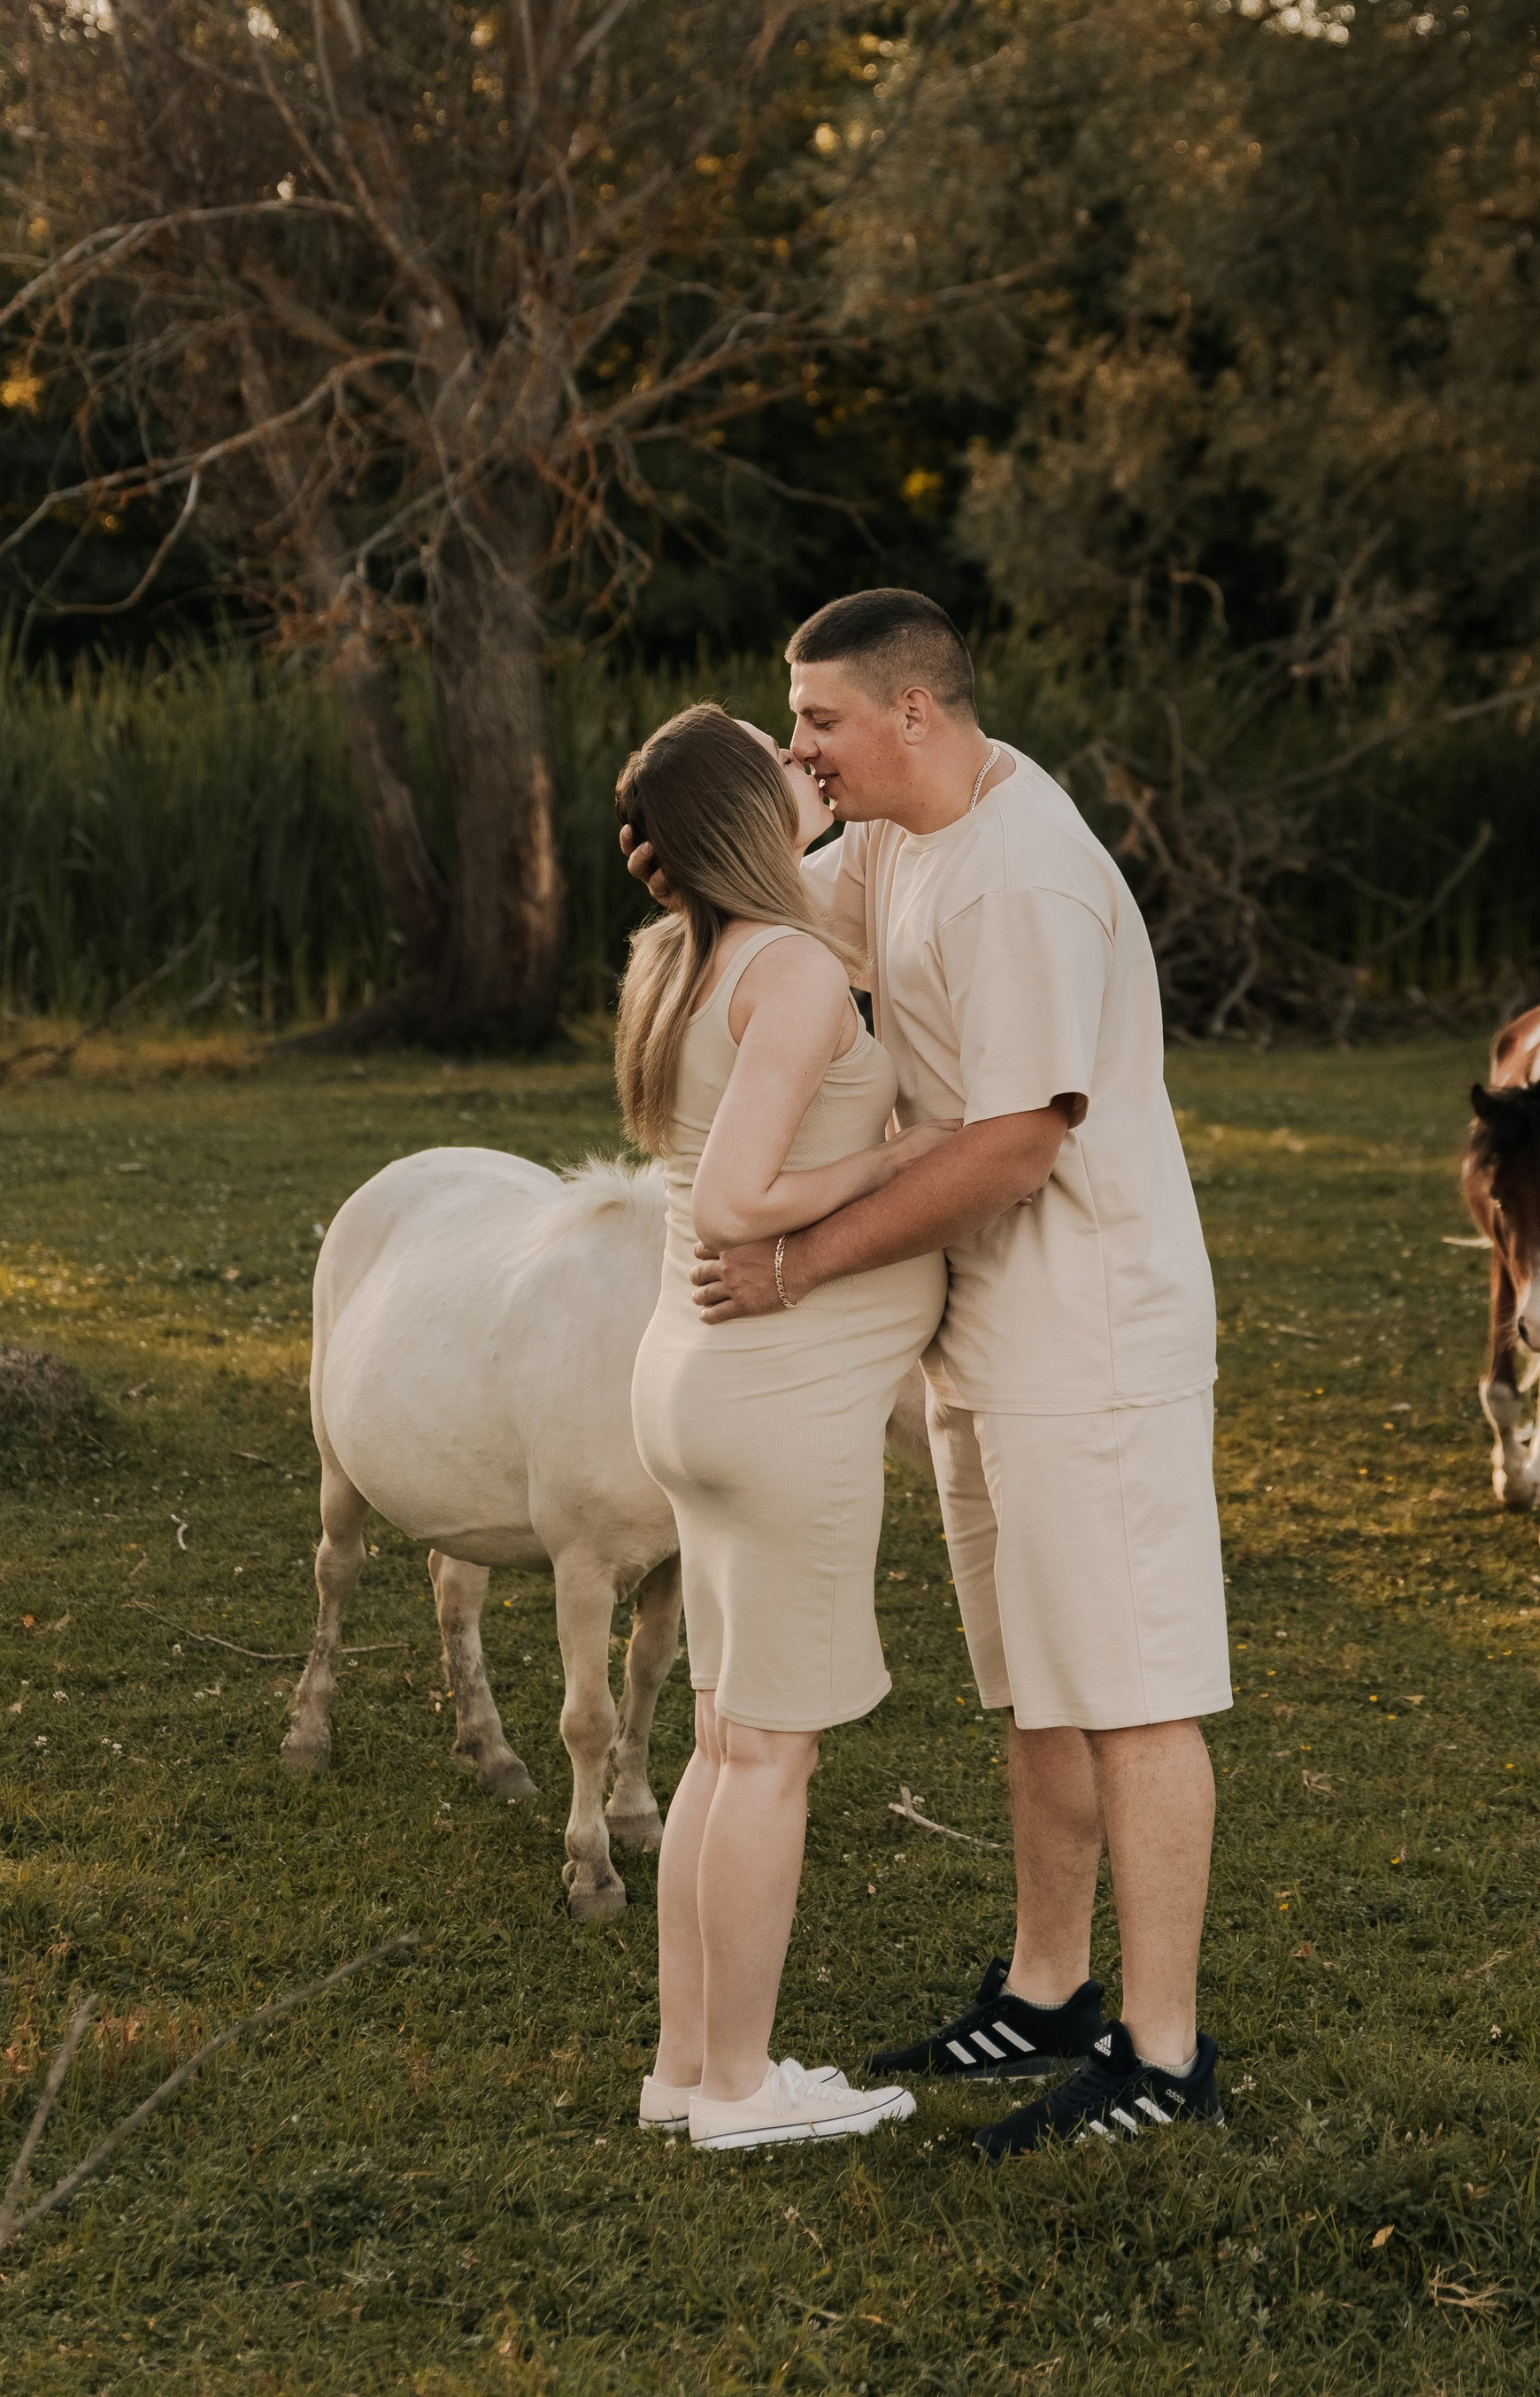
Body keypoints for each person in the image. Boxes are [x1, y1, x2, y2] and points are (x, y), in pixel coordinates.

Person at [631, 590, 1230, 2158]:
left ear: (911, 714)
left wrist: (796, 1260)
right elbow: (764, 918)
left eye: (816, 719)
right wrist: (695, 842)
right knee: (1036, 1674)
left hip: (1090, 1331)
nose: (801, 747)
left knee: (1133, 1689)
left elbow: (1023, 1141)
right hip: (982, 1334)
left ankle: (1162, 2054)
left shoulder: (1021, 881)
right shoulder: (891, 837)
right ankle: (1045, 1990)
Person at [616, 702, 950, 2153]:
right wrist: (906, 1152)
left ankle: (689, 2069)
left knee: (719, 1746)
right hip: (777, 1398)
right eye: (780, 757)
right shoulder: (796, 973)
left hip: (697, 1385)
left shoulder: (685, 959)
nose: (805, 764)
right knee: (768, 1757)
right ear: (744, 813)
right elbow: (743, 1199)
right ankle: (745, 2091)